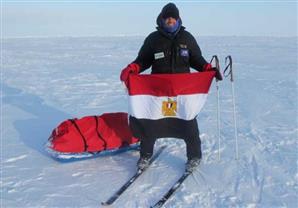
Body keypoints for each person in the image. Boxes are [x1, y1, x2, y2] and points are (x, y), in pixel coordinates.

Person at [120, 3, 222, 172]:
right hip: (158, 91)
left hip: (182, 91)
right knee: (150, 122)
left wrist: (208, 69)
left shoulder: (187, 38)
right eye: (167, 18)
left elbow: (197, 59)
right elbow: (143, 60)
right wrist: (132, 68)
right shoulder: (153, 39)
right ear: (162, 19)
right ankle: (145, 155)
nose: (170, 20)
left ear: (178, 19)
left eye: (173, 18)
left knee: (188, 122)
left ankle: (194, 156)